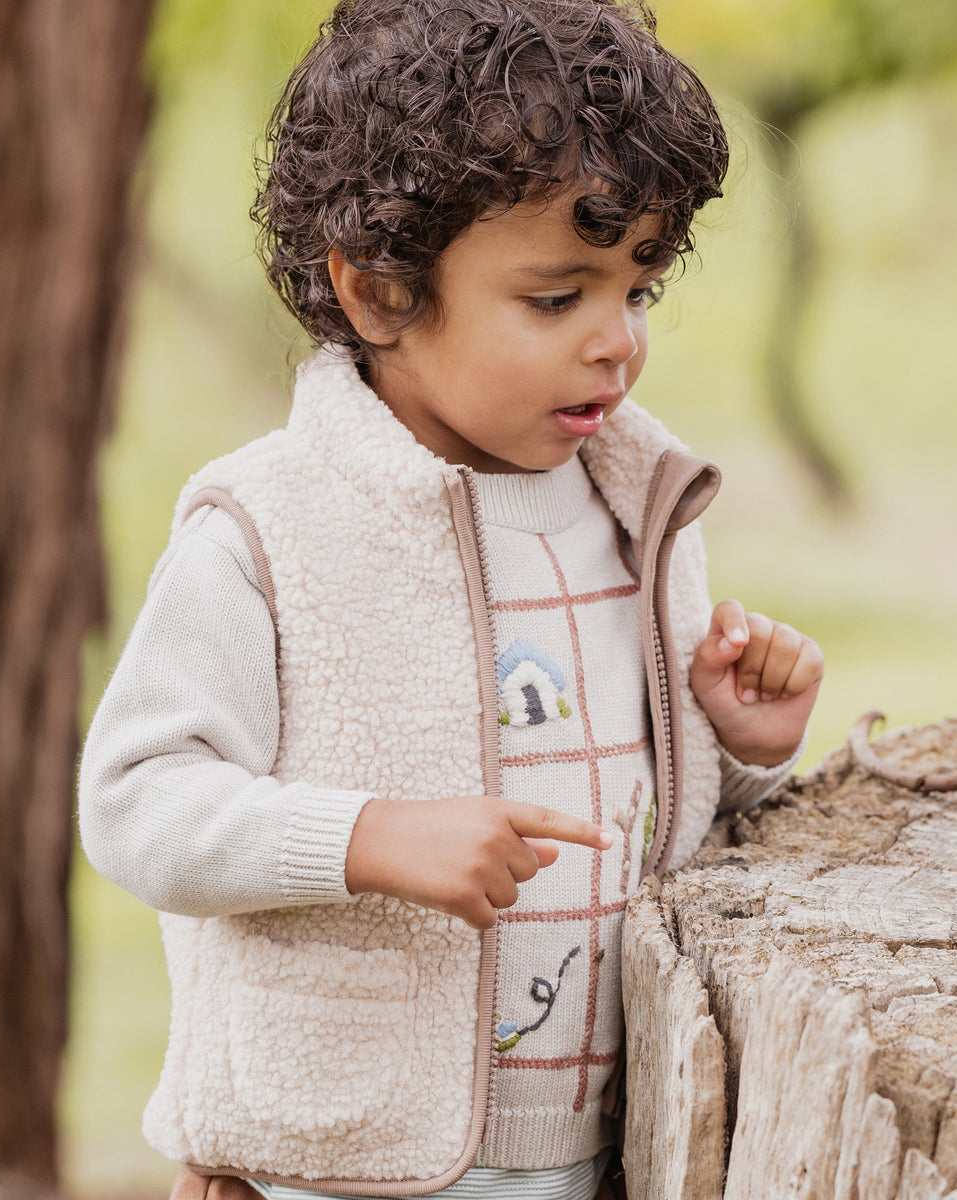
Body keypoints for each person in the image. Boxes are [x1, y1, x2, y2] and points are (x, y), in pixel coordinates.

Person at [78, 1, 823, 1197]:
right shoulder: (271, 529)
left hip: (607, 1142)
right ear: (380, 294)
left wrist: (739, 747)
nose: (616, 344)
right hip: (349, 1157)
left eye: (638, 288)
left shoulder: (636, 507)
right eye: (555, 298)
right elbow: (134, 804)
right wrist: (366, 837)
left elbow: (636, 800)